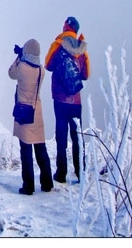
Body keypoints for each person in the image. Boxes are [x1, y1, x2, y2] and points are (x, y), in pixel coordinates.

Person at [45, 16, 90, 183]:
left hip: (59, 98)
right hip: (76, 101)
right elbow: (86, 75)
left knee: (61, 135)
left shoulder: (57, 44)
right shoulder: (82, 48)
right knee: (77, 136)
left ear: (65, 27)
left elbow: (48, 65)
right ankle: (81, 172)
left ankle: (61, 173)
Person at [8, 38, 54, 195]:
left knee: (25, 150)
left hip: (24, 113)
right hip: (37, 112)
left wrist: (19, 57)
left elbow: (10, 73)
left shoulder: (22, 68)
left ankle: (28, 186)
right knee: (41, 149)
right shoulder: (41, 70)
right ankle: (47, 183)